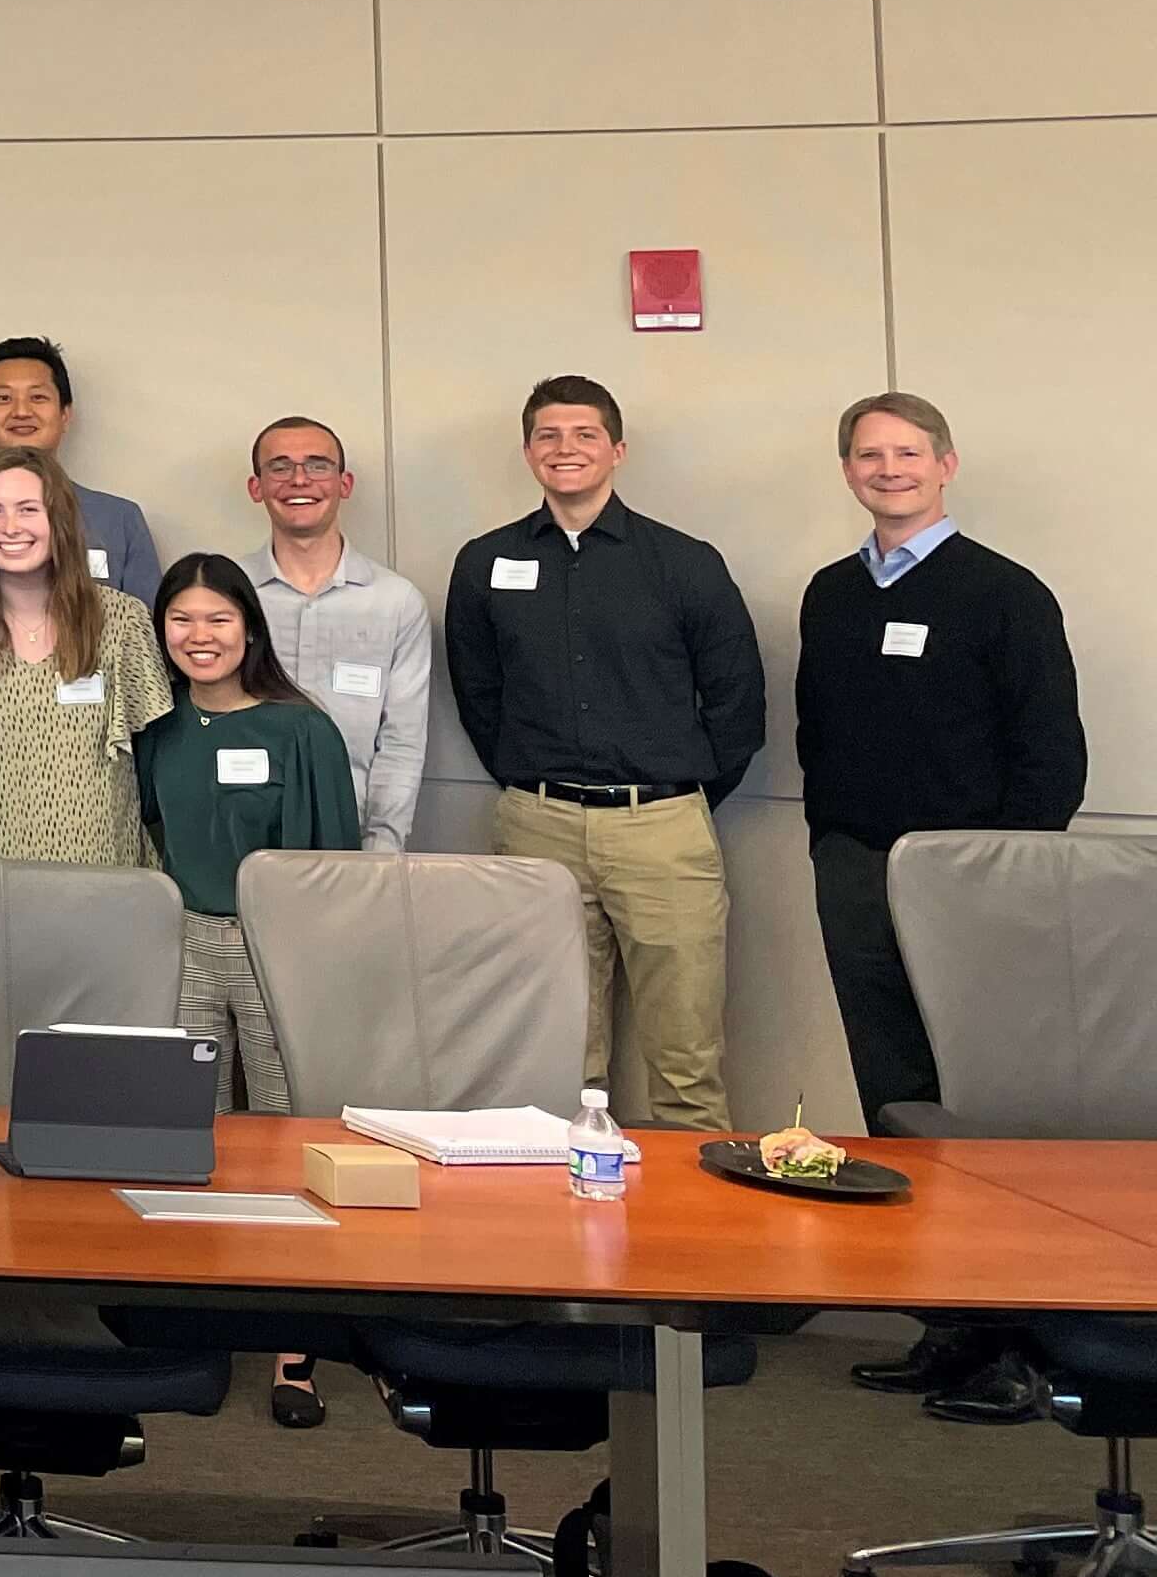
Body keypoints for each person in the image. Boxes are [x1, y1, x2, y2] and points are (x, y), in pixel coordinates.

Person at [798, 392, 1084, 1417]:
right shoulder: (831, 594)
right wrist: (832, 842)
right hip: (857, 868)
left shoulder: (1004, 594)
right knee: (894, 1099)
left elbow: (1051, 755)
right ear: (848, 472)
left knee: (983, 1109)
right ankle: (943, 1322)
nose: (889, 469)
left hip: (973, 882)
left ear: (946, 464)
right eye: (869, 455)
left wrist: (1006, 875)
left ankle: (1018, 1345)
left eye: (908, 453)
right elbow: (819, 734)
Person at [445, 376, 763, 1136]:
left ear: (617, 449)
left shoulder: (684, 563)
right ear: (528, 453)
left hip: (662, 830)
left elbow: (737, 703)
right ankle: (559, 1229)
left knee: (684, 1058)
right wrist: (534, 786)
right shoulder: (486, 562)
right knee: (552, 1055)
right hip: (537, 828)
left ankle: (694, 1241)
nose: (566, 450)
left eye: (584, 435)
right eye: (549, 436)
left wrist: (671, 796)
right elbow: (478, 693)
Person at [135, 551, 360, 1430]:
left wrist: (315, 960)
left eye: (218, 620)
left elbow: (333, 861)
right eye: (182, 621)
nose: (200, 637)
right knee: (182, 1131)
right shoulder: (160, 726)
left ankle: (293, 1343)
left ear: (250, 630)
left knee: (282, 1131)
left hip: (278, 947)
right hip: (185, 938)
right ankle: (198, 1318)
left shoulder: (302, 730)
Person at [0, 448, 169, 866]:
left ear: (59, 520)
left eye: (28, 509)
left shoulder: (122, 622)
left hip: (99, 872)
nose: (10, 527)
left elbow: (160, 750)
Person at [236, 417, 436, 853]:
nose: (300, 479)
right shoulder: (227, 597)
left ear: (345, 483)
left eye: (317, 465)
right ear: (257, 487)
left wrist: (382, 846)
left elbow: (402, 741)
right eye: (280, 467)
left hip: (351, 837)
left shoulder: (396, 602)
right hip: (241, 834)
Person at [0, 339, 162, 605]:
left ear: (65, 414)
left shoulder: (120, 519)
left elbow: (146, 633)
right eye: (3, 398)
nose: (22, 411)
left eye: (38, 397)